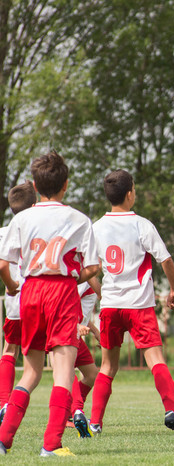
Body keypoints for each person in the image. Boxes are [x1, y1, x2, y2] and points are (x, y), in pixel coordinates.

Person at [0, 151, 100, 457]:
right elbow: (94, 268)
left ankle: (3, 440)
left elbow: (4, 264)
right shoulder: (78, 219)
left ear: (34, 184)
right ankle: (51, 444)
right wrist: (73, 275)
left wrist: (13, 286)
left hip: (30, 292)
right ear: (66, 185)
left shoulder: (22, 218)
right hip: (61, 293)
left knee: (30, 373)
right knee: (62, 372)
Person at [88, 169, 174, 436]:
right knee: (156, 360)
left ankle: (95, 423)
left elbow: (89, 269)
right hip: (139, 306)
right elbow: (166, 260)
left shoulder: (96, 228)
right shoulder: (141, 224)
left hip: (112, 306)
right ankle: (172, 410)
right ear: (130, 195)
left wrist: (104, 293)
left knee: (107, 367)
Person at [0, 182, 36, 421]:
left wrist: (11, 285)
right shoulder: (37, 228)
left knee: (9, 350)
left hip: (15, 303)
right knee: (57, 355)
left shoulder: (3, 232)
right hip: (39, 299)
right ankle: (69, 410)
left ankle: (4, 403)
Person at [67, 277, 102, 438]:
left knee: (92, 374)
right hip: (66, 330)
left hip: (75, 332)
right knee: (65, 372)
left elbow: (82, 311)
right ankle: (76, 411)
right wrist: (75, 325)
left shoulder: (89, 277)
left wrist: (94, 331)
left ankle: (70, 412)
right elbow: (66, 303)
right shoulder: (84, 277)